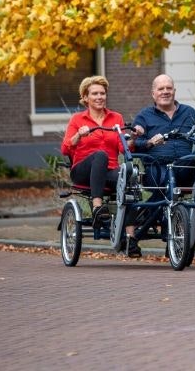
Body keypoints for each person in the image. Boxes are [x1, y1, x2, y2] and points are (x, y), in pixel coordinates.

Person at [61, 75, 141, 257]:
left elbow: (123, 147)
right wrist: (78, 136)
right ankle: (97, 207)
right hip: (83, 171)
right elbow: (65, 148)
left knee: (129, 178)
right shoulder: (77, 119)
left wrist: (133, 138)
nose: (99, 97)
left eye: (102, 93)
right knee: (100, 155)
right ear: (85, 97)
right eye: (95, 93)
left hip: (109, 171)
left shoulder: (116, 118)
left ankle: (130, 238)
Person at [132, 74, 195, 215]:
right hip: (157, 169)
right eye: (161, 89)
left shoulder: (189, 112)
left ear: (174, 91)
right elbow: (134, 144)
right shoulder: (144, 115)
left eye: (169, 88)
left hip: (185, 167)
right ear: (153, 94)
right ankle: (145, 215)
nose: (165, 91)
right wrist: (150, 142)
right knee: (166, 187)